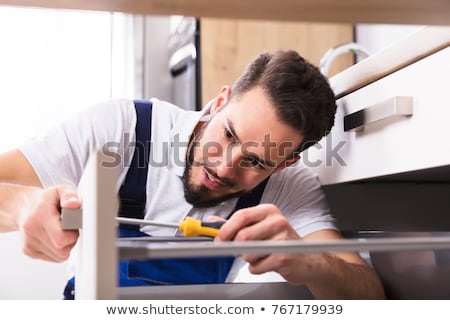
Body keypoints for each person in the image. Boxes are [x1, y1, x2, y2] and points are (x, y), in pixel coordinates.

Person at [0, 50, 385, 299]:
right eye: (228, 134)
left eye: (256, 162)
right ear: (218, 103)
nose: (224, 165)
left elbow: (371, 297)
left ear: (283, 164)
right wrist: (22, 206)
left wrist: (311, 261)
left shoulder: (289, 187)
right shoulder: (120, 129)